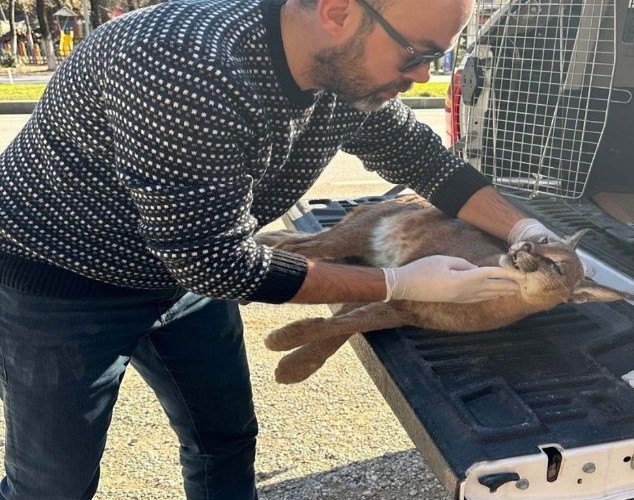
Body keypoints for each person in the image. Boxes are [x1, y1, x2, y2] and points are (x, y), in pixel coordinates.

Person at [0, 0, 553, 498]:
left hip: (182, 277)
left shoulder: (343, 74)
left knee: (224, 439)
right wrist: (400, 284)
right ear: (338, 12)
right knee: (53, 482)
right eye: (416, 54)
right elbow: (214, 261)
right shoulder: (189, 64)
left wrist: (524, 231)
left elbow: (427, 163)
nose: (423, 76)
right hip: (64, 284)